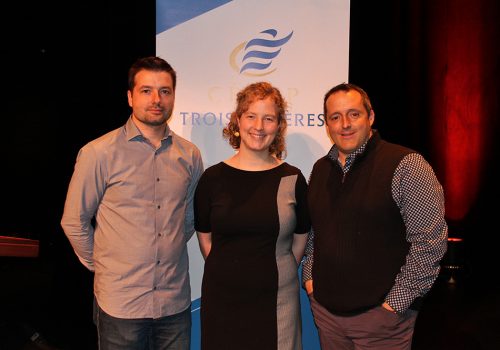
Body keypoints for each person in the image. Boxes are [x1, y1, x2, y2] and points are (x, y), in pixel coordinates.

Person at [60, 56, 204, 350]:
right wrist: (102, 265)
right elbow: (74, 221)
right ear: (130, 97)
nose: (156, 99)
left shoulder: (190, 155)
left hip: (174, 304)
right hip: (120, 306)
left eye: (165, 91)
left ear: (174, 96)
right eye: (146, 90)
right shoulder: (98, 153)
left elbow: (189, 218)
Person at [302, 82, 448, 350]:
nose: (345, 124)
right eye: (335, 117)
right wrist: (311, 281)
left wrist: (394, 305)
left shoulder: (407, 165)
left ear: (370, 117)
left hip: (382, 323)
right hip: (327, 317)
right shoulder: (320, 169)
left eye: (354, 114)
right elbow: (316, 234)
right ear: (327, 124)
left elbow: (430, 243)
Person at [194, 81, 311, 350]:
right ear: (237, 120)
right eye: (251, 116)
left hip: (277, 303)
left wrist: (272, 272)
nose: (258, 126)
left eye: (268, 118)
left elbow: (300, 241)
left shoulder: (292, 179)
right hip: (223, 301)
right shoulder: (212, 179)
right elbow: (206, 241)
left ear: (279, 126)